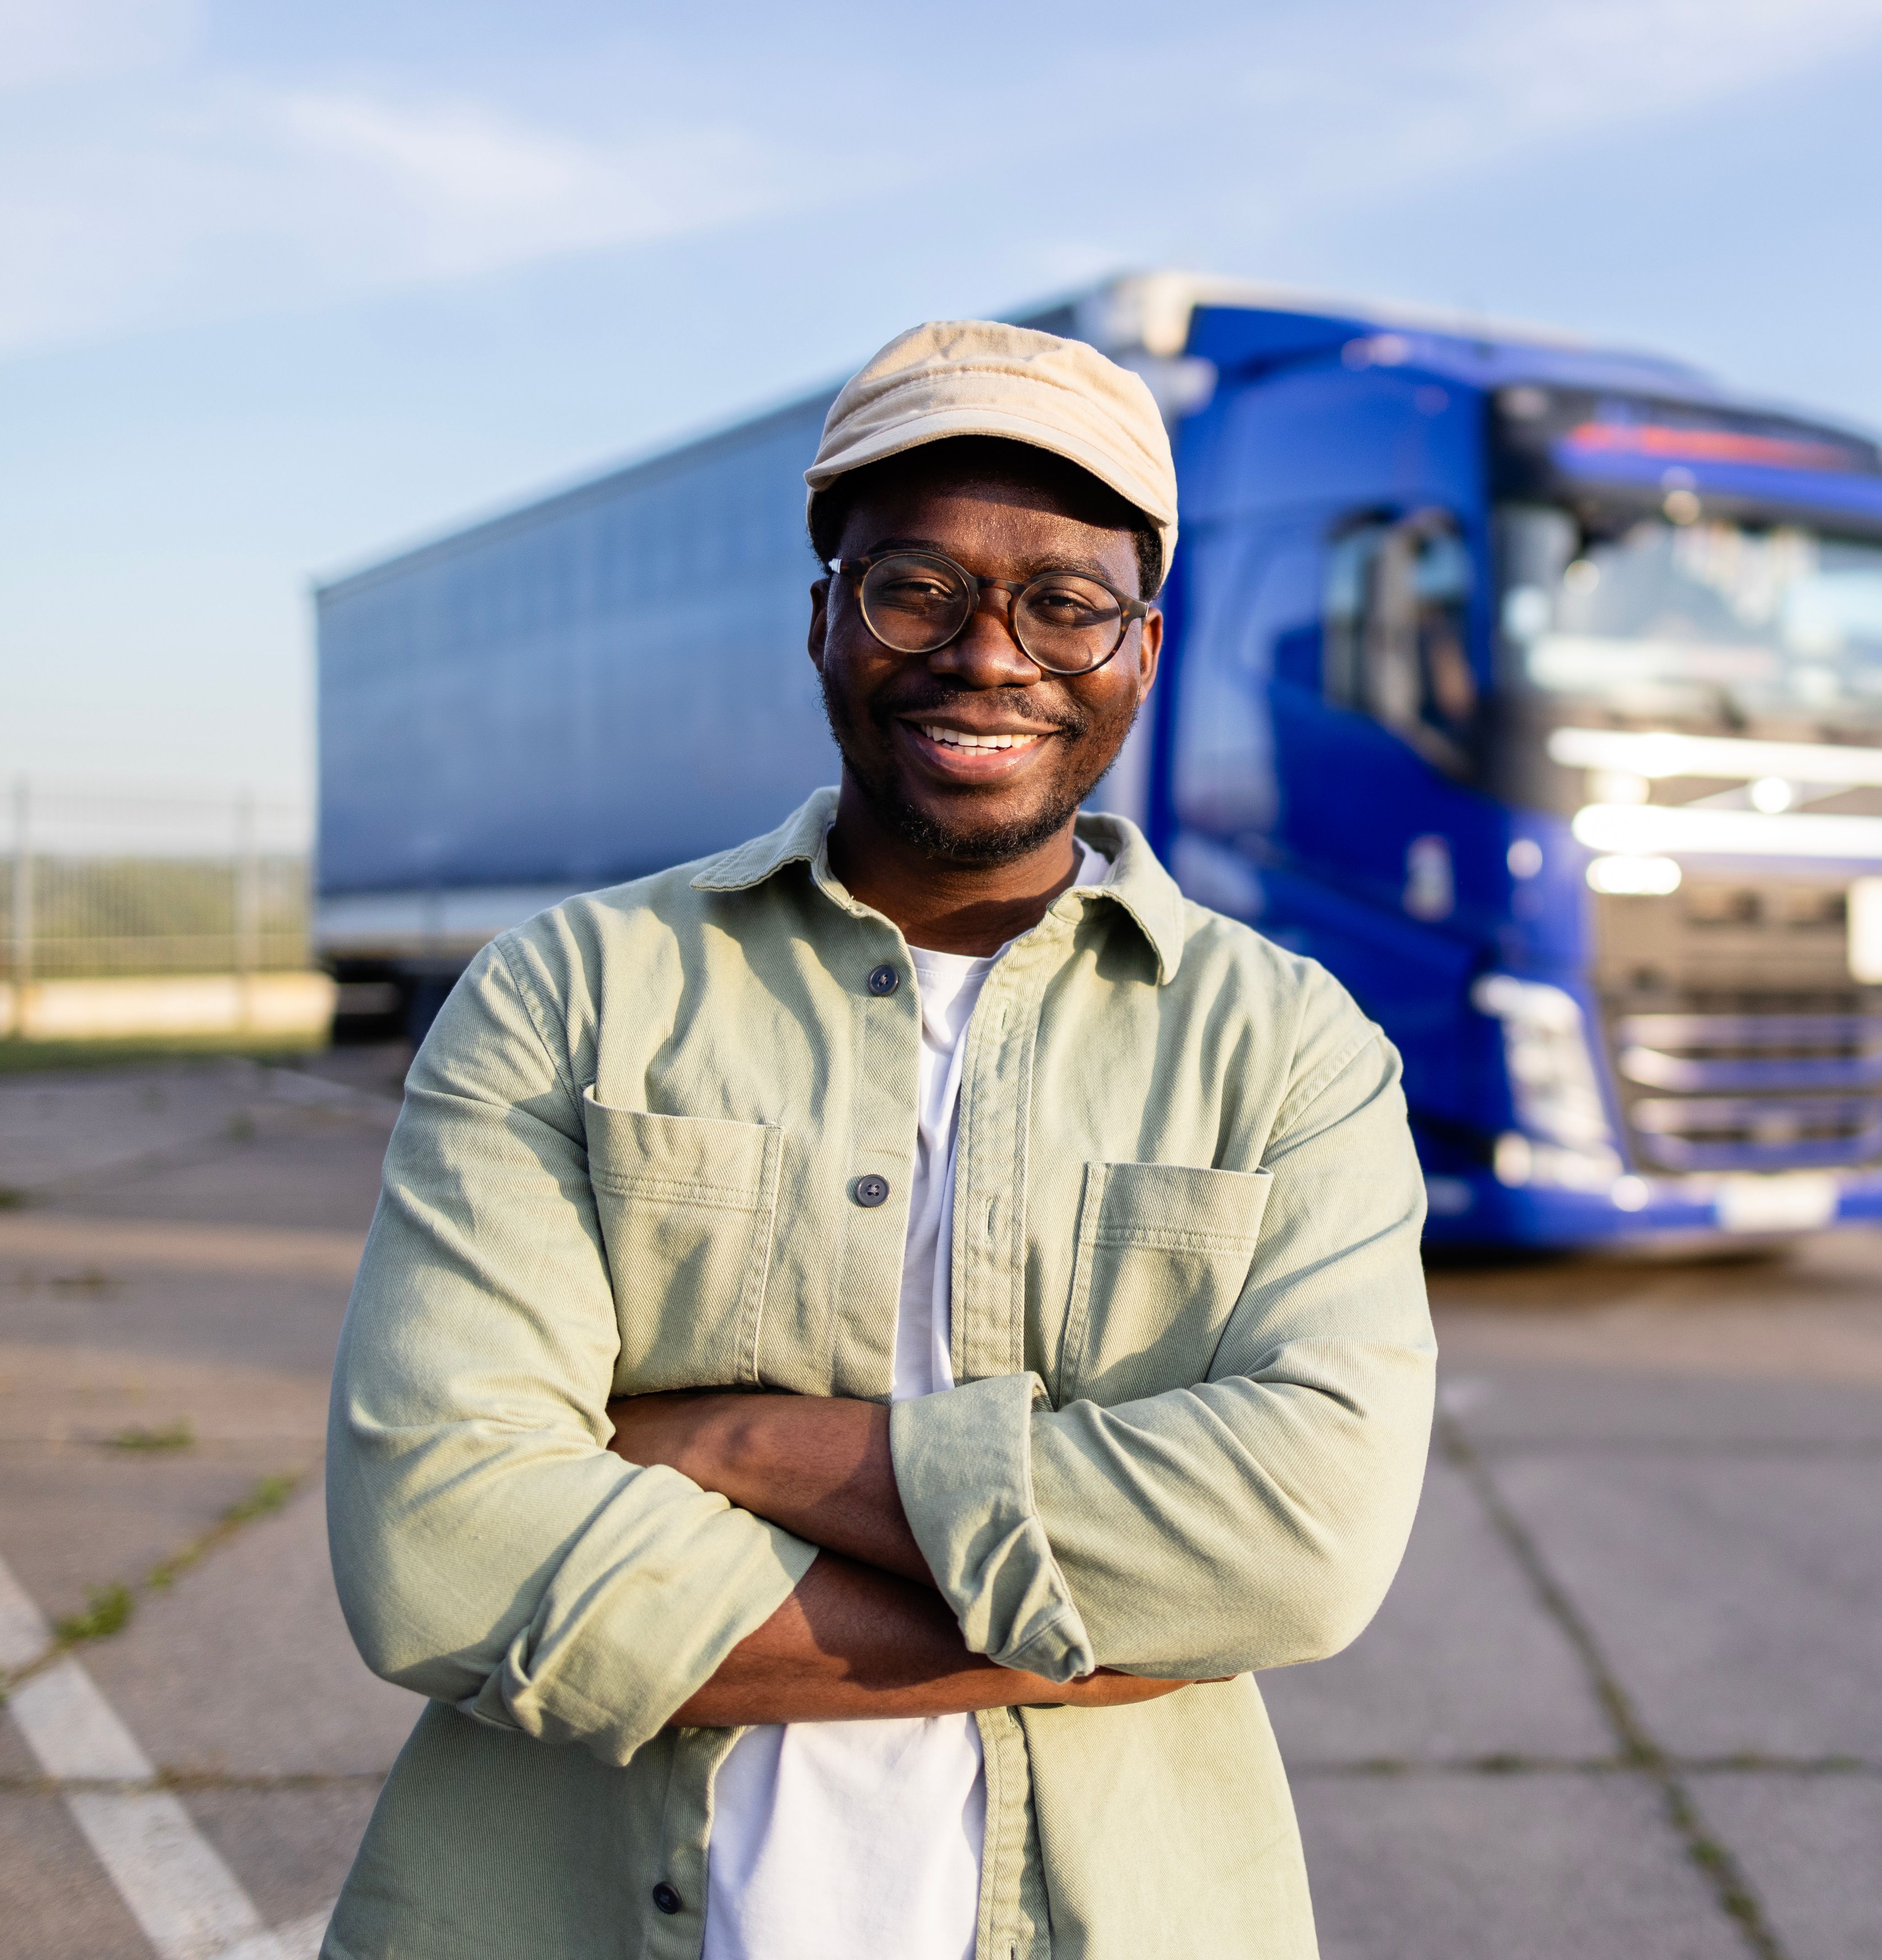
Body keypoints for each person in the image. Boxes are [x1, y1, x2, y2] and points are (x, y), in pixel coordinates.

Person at [323, 321, 1436, 1959]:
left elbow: (1306, 1543)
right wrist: (1116, 1621)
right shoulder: (570, 993)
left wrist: (730, 1447)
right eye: (917, 586)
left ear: (1141, 644)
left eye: (1067, 601)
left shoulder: (1290, 1050)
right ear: (826, 620)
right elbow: (438, 1545)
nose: (992, 654)